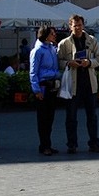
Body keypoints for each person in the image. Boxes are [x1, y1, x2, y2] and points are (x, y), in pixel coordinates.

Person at [57, 14, 99, 154]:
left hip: (90, 83)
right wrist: (68, 63)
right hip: (73, 85)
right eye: (75, 25)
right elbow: (58, 62)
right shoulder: (64, 43)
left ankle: (94, 143)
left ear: (83, 26)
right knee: (71, 116)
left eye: (80, 25)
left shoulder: (92, 40)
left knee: (92, 116)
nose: (77, 28)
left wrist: (89, 62)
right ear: (70, 26)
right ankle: (72, 144)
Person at [30, 26, 60, 156]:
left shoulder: (52, 48)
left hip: (52, 86)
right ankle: (44, 145)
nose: (55, 36)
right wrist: (36, 90)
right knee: (43, 118)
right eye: (52, 34)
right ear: (46, 35)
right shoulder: (37, 50)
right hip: (43, 86)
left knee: (50, 117)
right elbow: (33, 71)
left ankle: (48, 143)